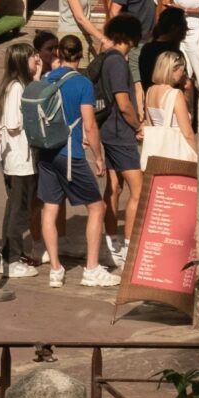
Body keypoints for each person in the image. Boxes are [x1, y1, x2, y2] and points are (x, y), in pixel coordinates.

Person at [37, 36, 115, 289]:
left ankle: (55, 269)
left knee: (50, 208)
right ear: (81, 56)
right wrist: (99, 156)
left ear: (58, 52)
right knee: (96, 207)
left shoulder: (48, 78)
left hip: (46, 151)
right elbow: (90, 124)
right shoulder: (82, 83)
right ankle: (91, 268)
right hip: (70, 153)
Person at [97, 12, 147, 265]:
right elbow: (123, 102)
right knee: (139, 190)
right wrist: (137, 125)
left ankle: (112, 241)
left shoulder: (107, 57)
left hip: (109, 130)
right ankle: (129, 246)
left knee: (114, 187)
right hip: (120, 132)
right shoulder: (117, 62)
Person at [0, 41, 42, 281]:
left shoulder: (17, 85)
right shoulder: (16, 88)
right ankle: (11, 258)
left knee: (15, 208)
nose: (37, 60)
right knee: (18, 210)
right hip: (19, 158)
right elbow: (14, 123)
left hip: (17, 157)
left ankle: (10, 254)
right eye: (33, 57)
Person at [142, 50, 199, 166]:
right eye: (181, 71)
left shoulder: (150, 91)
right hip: (176, 155)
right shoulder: (175, 94)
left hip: (157, 153)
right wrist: (196, 155)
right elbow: (187, 133)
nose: (183, 74)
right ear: (173, 70)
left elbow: (150, 124)